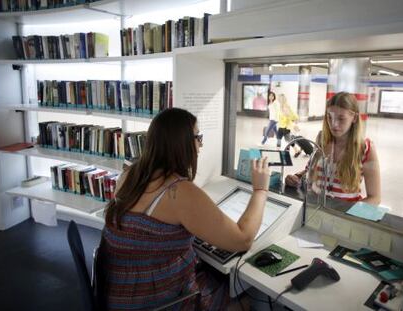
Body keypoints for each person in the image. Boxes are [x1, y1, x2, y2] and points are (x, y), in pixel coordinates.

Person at [98, 108, 270, 310]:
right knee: (246, 300)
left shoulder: (129, 175)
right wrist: (260, 189)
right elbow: (243, 240)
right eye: (198, 137)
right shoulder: (179, 192)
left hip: (118, 292)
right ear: (183, 143)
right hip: (159, 301)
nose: (200, 145)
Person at [285, 92, 381, 204]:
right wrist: (297, 177)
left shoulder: (365, 148)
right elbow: (311, 170)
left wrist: (345, 214)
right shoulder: (322, 139)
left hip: (343, 216)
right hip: (314, 210)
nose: (334, 124)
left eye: (341, 119)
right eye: (330, 117)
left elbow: (375, 198)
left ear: (354, 118)